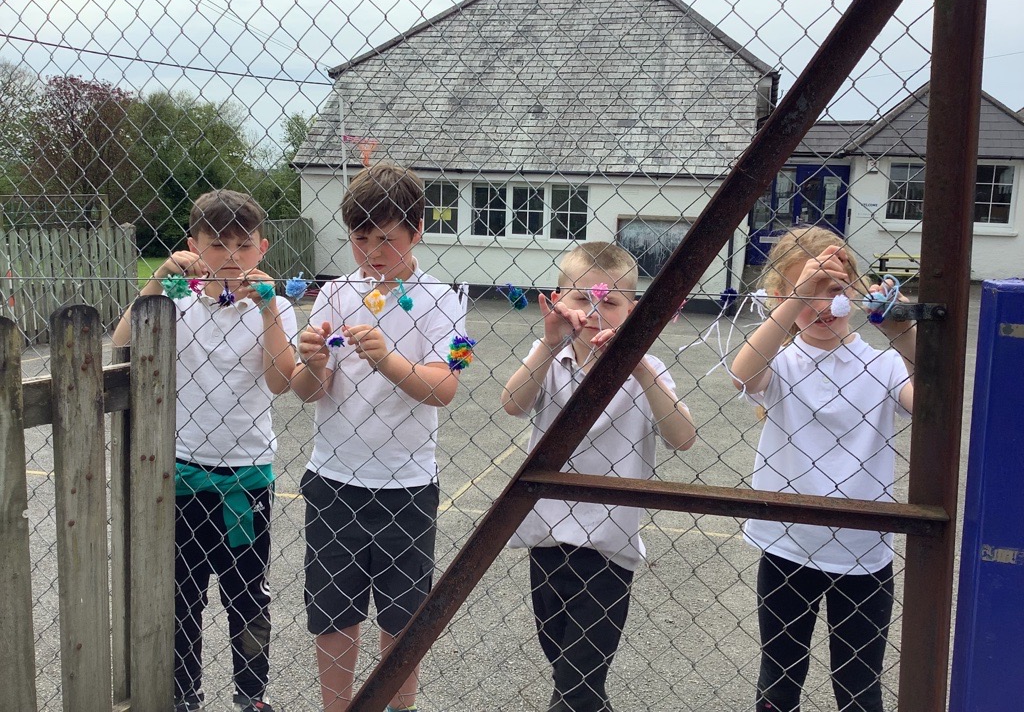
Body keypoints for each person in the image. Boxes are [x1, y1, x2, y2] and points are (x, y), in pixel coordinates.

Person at [290, 162, 466, 712]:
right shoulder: (335, 295)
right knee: (333, 613)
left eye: (385, 237)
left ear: (416, 231)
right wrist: (311, 361)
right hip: (333, 480)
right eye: (360, 237)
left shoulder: (446, 300)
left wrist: (389, 360)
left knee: (403, 619)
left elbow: (445, 388)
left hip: (407, 486)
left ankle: (398, 705)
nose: (371, 251)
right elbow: (307, 392)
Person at [113, 189, 297, 712]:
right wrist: (156, 281)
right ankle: (183, 695)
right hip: (185, 477)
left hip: (246, 483)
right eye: (217, 244)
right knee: (182, 599)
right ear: (193, 247)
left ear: (262, 248)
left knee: (248, 599)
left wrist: (268, 314)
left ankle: (250, 695)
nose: (232, 257)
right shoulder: (178, 302)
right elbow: (122, 344)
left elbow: (282, 381)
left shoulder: (275, 307)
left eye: (243, 245)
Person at [501, 242, 697, 712]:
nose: (593, 312)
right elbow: (512, 403)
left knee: (577, 685)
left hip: (608, 547)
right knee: (564, 665)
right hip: (546, 538)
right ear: (556, 301)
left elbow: (683, 436)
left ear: (632, 311)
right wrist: (548, 343)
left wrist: (641, 367)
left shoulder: (645, 371)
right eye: (581, 298)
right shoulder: (551, 357)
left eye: (609, 302)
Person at [729, 226, 917, 712]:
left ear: (853, 294)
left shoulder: (884, 365)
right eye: (806, 295)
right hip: (788, 545)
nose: (820, 306)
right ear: (782, 297)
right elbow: (742, 373)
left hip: (863, 550)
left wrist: (902, 331)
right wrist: (794, 300)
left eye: (832, 291)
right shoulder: (784, 363)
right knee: (780, 673)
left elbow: (930, 402)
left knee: (858, 684)